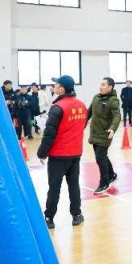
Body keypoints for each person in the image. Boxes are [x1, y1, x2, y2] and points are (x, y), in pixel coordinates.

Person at [37, 75, 87, 229]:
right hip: (75, 154)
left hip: (58, 156)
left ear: (62, 89)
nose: (54, 87)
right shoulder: (82, 106)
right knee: (74, 186)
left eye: (56, 85)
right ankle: (77, 215)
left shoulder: (58, 107)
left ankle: (49, 218)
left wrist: (41, 153)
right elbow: (81, 126)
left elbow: (49, 133)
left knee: (54, 187)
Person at [87, 77, 121, 195]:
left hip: (105, 134)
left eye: (103, 85)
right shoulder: (96, 98)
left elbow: (117, 116)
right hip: (94, 133)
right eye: (100, 84)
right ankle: (111, 175)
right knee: (102, 156)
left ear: (110, 87)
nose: (100, 87)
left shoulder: (113, 100)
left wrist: (113, 129)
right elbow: (89, 112)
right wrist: (82, 124)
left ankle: (104, 182)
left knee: (100, 157)